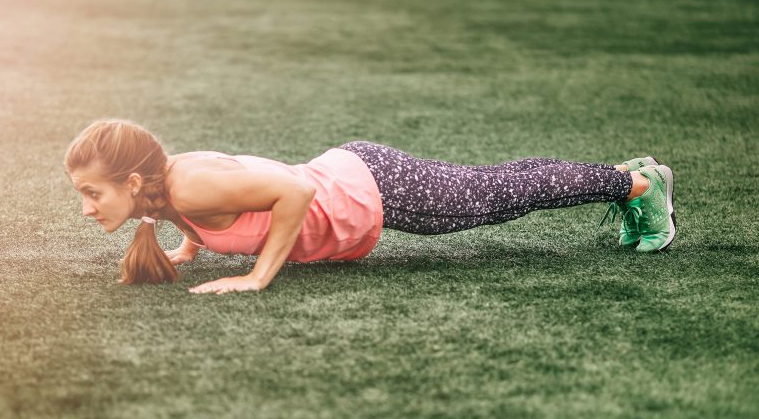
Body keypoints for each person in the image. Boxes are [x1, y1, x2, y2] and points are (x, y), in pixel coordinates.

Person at [64, 119, 675, 294]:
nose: (87, 208)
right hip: (356, 175)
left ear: (133, 179)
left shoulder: (187, 184)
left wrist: (257, 276)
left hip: (367, 187)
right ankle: (625, 177)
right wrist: (189, 245)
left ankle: (639, 190)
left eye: (93, 192)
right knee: (492, 187)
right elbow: (201, 211)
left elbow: (293, 192)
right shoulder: (164, 191)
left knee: (491, 196)